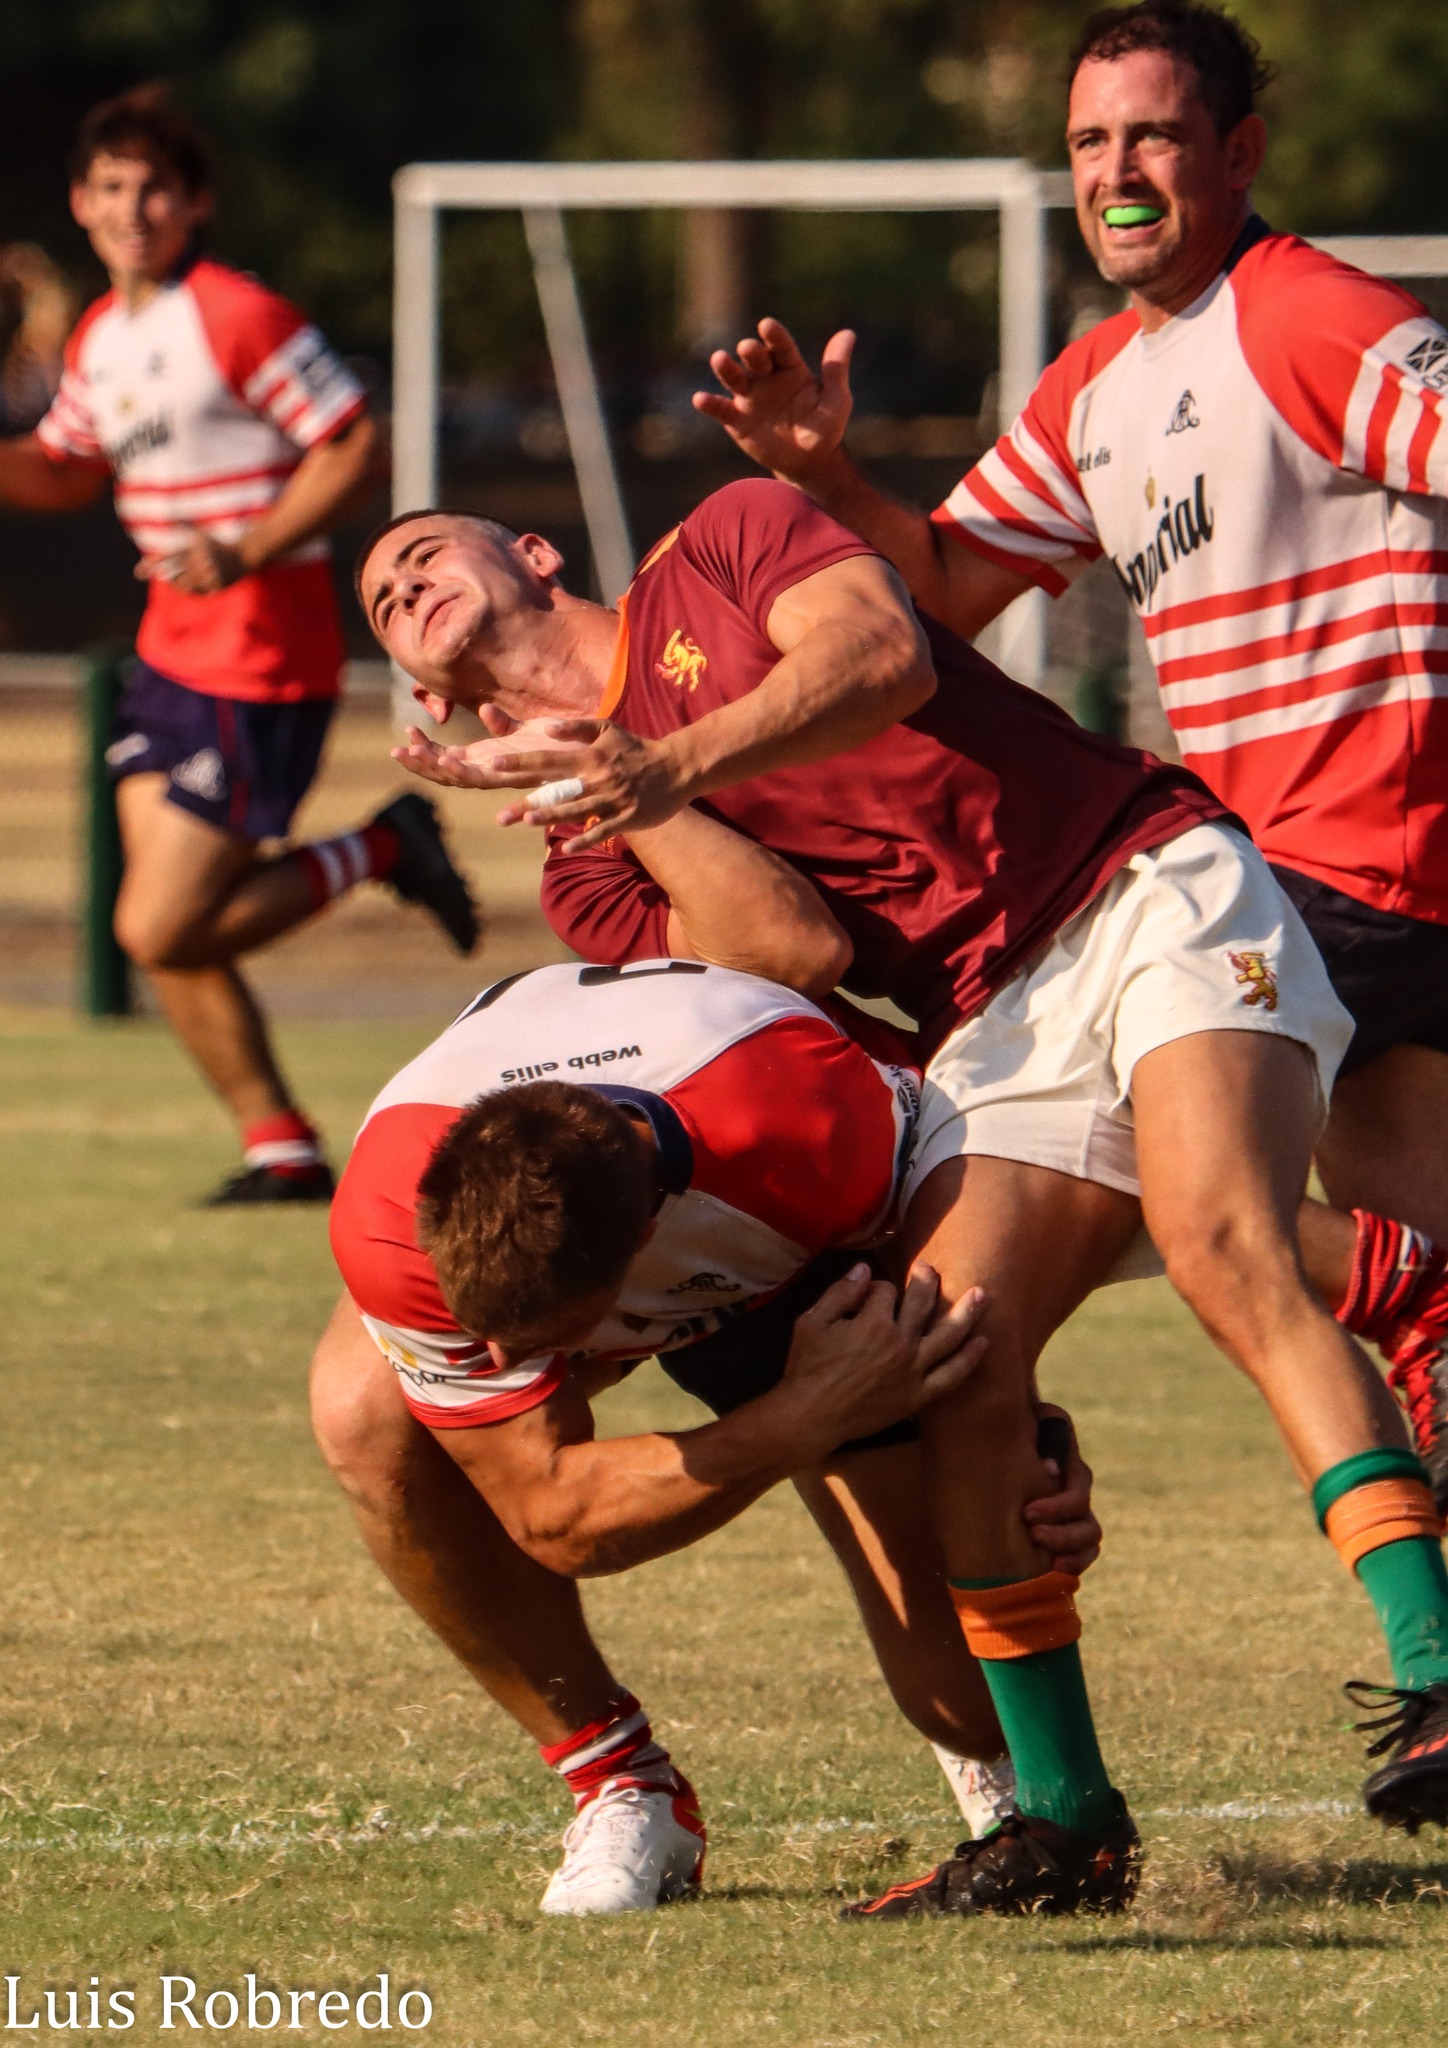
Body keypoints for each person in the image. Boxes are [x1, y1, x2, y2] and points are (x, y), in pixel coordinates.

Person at [358, 483, 1448, 1918]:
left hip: (1140, 882)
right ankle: (1065, 1826)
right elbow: (788, 951)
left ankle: (1432, 1670)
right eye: (380, 604)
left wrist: (661, 757)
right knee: (960, 1359)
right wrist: (636, 794)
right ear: (432, 699)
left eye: (420, 552)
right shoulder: (590, 870)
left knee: (1218, 1241)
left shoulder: (726, 540)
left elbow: (882, 656)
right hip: (983, 1021)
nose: (401, 585)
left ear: (535, 551)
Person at [689, 0, 1448, 1509]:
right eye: (1092, 141)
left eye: (1154, 135)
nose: (1118, 171)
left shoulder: (1311, 316)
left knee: (1105, 1165)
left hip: (1359, 863)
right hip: (1306, 878)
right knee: (1398, 1276)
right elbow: (944, 593)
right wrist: (823, 470)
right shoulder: (1098, 383)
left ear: (1239, 151)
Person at [318, 947, 1101, 1913]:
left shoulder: (814, 1128)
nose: (507, 1361)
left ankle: (1003, 1776)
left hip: (798, 1244)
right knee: (364, 1414)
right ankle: (621, 1782)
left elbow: (981, 1251)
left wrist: (1017, 1429)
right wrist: (805, 1416)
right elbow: (555, 1518)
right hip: (673, 1195)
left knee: (965, 1706)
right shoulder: (389, 1216)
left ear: (647, 1250)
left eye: (547, 1343)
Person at [0, 87, 477, 1205]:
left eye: (156, 188)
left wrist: (248, 546)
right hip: (170, 654)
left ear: (196, 202)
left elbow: (354, 442)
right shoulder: (102, 336)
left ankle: (384, 849)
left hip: (262, 652)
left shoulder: (236, 314)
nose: (134, 208)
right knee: (168, 932)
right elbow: (65, 471)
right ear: (80, 203)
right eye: (112, 188)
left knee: (155, 921)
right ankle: (281, 1146)